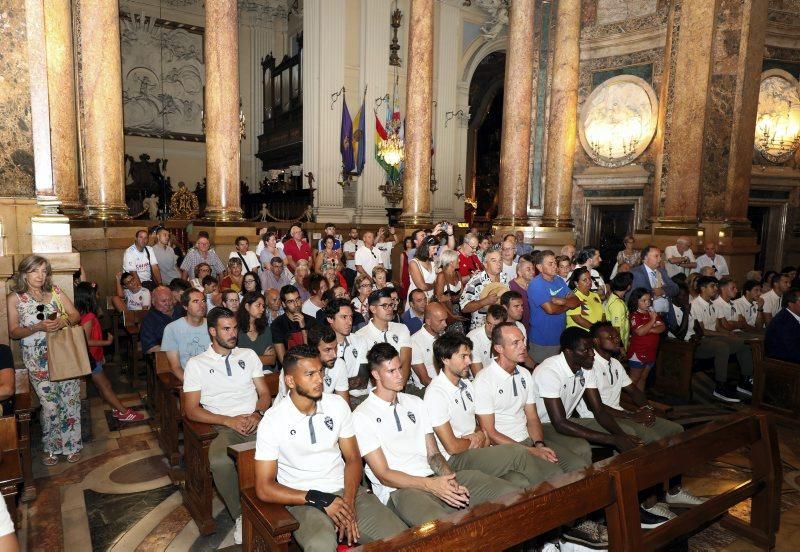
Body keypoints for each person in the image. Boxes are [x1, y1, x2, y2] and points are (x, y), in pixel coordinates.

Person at [255, 345, 406, 549]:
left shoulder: (336, 405)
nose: (319, 380)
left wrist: (349, 502)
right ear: (290, 380)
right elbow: (264, 487)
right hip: (304, 500)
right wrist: (318, 499)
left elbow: (353, 459)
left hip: (346, 491)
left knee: (402, 539)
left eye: (321, 371)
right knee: (321, 546)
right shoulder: (273, 421)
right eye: (310, 374)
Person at [352, 343, 519, 527]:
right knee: (446, 526)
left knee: (509, 493)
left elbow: (433, 454)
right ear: (376, 375)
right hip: (400, 491)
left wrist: (449, 479)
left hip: (434, 477)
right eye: (391, 371)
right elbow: (384, 475)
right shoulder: (362, 415)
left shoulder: (415, 402)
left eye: (400, 368)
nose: (400, 375)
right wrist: (430, 485)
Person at [588, 322, 705, 511]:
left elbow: (633, 390)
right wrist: (632, 415)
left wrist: (647, 408)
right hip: (601, 418)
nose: (616, 339)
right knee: (654, 442)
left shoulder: (615, 363)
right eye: (609, 337)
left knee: (676, 431)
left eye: (616, 335)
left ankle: (673, 492)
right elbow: (597, 408)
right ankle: (648, 502)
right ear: (595, 341)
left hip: (622, 413)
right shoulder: (589, 365)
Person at [424, 332, 562, 488]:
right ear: (445, 359)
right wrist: (476, 439)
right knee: (516, 452)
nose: (469, 361)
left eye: (469, 355)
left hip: (475, 448)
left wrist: (479, 435)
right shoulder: (436, 393)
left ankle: (548, 491)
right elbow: (452, 447)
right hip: (455, 458)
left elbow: (477, 425)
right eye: (463, 356)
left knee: (520, 480)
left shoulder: (467, 384)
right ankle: (552, 490)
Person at [183, 306, 272, 544]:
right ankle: (241, 515)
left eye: (234, 328)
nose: (233, 334)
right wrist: (227, 420)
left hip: (256, 421)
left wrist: (257, 413)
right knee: (220, 462)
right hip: (223, 425)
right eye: (226, 329)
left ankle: (283, 507)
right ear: (212, 331)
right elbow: (190, 409)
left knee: (288, 447)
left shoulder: (248, 355)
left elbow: (264, 393)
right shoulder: (197, 364)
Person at [7, 255, 83, 465]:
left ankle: (72, 445)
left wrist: (62, 321)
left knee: (70, 399)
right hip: (37, 358)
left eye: (43, 271)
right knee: (49, 404)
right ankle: (51, 446)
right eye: (34, 271)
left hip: (63, 353)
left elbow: (75, 315)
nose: (40, 276)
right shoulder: (15, 298)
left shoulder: (55, 291)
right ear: (24, 273)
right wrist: (36, 327)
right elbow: (13, 331)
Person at [75, 282, 145, 423]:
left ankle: (117, 409)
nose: (98, 296)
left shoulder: (86, 314)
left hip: (94, 357)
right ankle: (124, 412)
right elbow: (86, 341)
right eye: (96, 294)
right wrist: (107, 343)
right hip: (91, 358)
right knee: (105, 385)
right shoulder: (88, 317)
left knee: (103, 386)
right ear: (89, 297)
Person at [685, 276, 753, 402]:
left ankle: (744, 381)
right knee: (722, 347)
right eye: (712, 286)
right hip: (699, 342)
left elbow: (718, 327)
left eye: (716, 286)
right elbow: (703, 331)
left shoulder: (712, 304)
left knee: (742, 344)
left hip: (712, 339)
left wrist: (727, 333)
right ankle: (720, 387)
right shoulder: (695, 305)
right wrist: (725, 335)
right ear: (702, 288)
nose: (715, 289)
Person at [354, 289, 413, 394]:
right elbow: (372, 372)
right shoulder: (360, 336)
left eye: (391, 305)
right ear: (373, 309)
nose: (389, 309)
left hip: (402, 386)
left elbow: (405, 362)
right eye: (384, 306)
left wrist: (399, 391)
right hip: (377, 392)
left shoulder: (402, 328)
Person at [527, 250, 581, 363]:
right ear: (540, 267)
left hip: (560, 338)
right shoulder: (536, 284)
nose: (554, 266)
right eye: (550, 264)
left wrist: (561, 301)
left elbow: (576, 301)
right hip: (542, 341)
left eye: (555, 263)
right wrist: (568, 304)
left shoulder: (559, 280)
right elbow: (551, 310)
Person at [324, 299, 371, 405]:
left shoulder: (359, 341)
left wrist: (336, 384)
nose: (349, 322)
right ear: (330, 319)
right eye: (344, 317)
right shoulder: (322, 347)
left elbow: (362, 381)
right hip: (331, 402)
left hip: (362, 398)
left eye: (351, 317)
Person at [161, 288, 211, 381]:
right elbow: (175, 367)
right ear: (185, 306)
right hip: (189, 378)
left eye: (203, 301)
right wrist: (192, 385)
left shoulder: (213, 325)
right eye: (195, 301)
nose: (202, 305)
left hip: (213, 375)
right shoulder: (172, 329)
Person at [626, 288, 666, 391]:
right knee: (633, 380)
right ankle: (625, 402)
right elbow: (640, 332)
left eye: (649, 300)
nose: (647, 303)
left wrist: (648, 329)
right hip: (639, 351)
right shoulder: (635, 315)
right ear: (636, 301)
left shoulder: (651, 312)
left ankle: (640, 402)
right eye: (644, 300)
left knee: (643, 378)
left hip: (651, 352)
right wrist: (652, 321)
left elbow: (662, 328)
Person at [629, 246, 678, 326]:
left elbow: (675, 288)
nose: (660, 259)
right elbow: (634, 297)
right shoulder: (636, 273)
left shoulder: (662, 272)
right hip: (645, 319)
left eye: (660, 256)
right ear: (645, 258)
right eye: (656, 256)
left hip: (665, 316)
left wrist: (663, 291)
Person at [461, 248, 508, 331]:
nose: (499, 264)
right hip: (481, 330)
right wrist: (485, 301)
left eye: (500, 260)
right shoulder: (475, 281)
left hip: (501, 328)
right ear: (485, 264)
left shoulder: (505, 278)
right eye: (494, 261)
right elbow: (464, 307)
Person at [271, 285, 317, 364]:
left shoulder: (311, 321)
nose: (296, 304)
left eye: (297, 299)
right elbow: (283, 360)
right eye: (291, 301)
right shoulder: (277, 324)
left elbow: (312, 355)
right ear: (284, 304)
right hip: (289, 369)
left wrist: (303, 328)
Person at [409, 303, 449, 389]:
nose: (445, 324)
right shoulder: (414, 342)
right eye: (440, 321)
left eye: (445, 320)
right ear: (428, 321)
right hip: (427, 390)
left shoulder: (444, 336)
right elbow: (425, 380)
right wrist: (448, 388)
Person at [236, 291, 276, 370]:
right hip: (244, 375)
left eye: (263, 306)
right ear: (247, 306)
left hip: (266, 373)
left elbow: (272, 360)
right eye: (258, 305)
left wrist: (247, 359)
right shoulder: (236, 330)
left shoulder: (265, 328)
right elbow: (236, 362)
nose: (262, 309)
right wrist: (263, 357)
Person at [140, 286, 184, 354]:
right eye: (163, 301)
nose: (168, 303)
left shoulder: (182, 311)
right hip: (165, 355)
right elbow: (150, 348)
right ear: (153, 302)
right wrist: (174, 351)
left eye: (170, 300)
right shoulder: (149, 319)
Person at [466, 304, 507, 376]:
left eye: (496, 326)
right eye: (488, 323)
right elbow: (478, 375)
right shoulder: (473, 338)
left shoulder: (506, 336)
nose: (491, 329)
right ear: (485, 319)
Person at [765, 288, 800, 363]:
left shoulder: (795, 315)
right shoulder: (782, 321)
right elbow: (790, 350)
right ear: (790, 304)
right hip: (783, 362)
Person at [604, 272, 632, 351]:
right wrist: (621, 347)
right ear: (628, 286)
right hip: (617, 346)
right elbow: (616, 328)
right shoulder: (617, 304)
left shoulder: (616, 298)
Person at [507, 254, 534, 337]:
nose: (532, 272)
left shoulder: (534, 285)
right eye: (528, 269)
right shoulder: (510, 286)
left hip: (532, 328)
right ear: (519, 272)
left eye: (533, 269)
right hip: (517, 328)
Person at [407, 235, 438, 305]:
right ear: (426, 248)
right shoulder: (414, 263)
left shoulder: (434, 261)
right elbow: (422, 286)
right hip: (418, 300)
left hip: (432, 298)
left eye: (437, 248)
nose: (436, 251)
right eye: (434, 248)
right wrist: (434, 285)